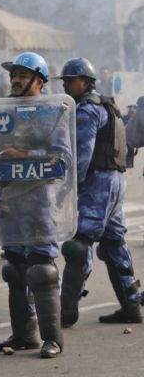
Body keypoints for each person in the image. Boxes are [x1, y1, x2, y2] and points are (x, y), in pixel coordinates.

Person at [0, 52, 69, 358]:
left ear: (40, 80)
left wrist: (26, 156)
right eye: (14, 75)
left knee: (41, 271)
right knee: (15, 271)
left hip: (38, 205)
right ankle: (24, 335)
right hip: (9, 205)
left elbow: (62, 160)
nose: (15, 80)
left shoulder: (53, 114)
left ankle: (52, 339)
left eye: (22, 75)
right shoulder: (2, 114)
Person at [57, 57, 143, 326]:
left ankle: (66, 310)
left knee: (78, 245)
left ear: (85, 82)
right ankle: (130, 304)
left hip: (97, 183)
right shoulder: (106, 105)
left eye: (70, 81)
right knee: (113, 244)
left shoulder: (87, 111)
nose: (66, 86)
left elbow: (82, 155)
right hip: (114, 181)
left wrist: (69, 188)